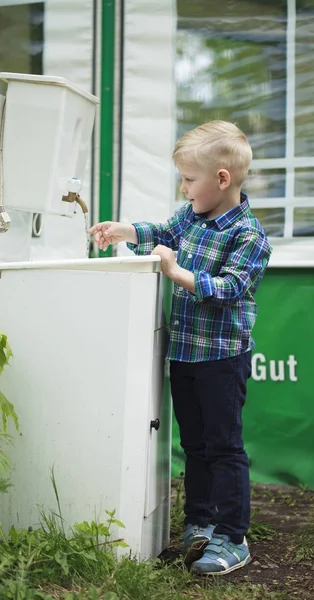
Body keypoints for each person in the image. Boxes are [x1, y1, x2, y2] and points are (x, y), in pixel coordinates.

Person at [89, 120, 272, 575]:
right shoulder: (190, 217)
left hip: (222, 357)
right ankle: (200, 524)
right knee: (194, 444)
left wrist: (176, 274)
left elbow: (230, 288)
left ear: (222, 179)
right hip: (186, 354)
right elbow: (162, 232)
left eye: (190, 179)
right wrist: (123, 230)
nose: (184, 188)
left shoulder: (248, 235)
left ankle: (232, 537)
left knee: (224, 446)